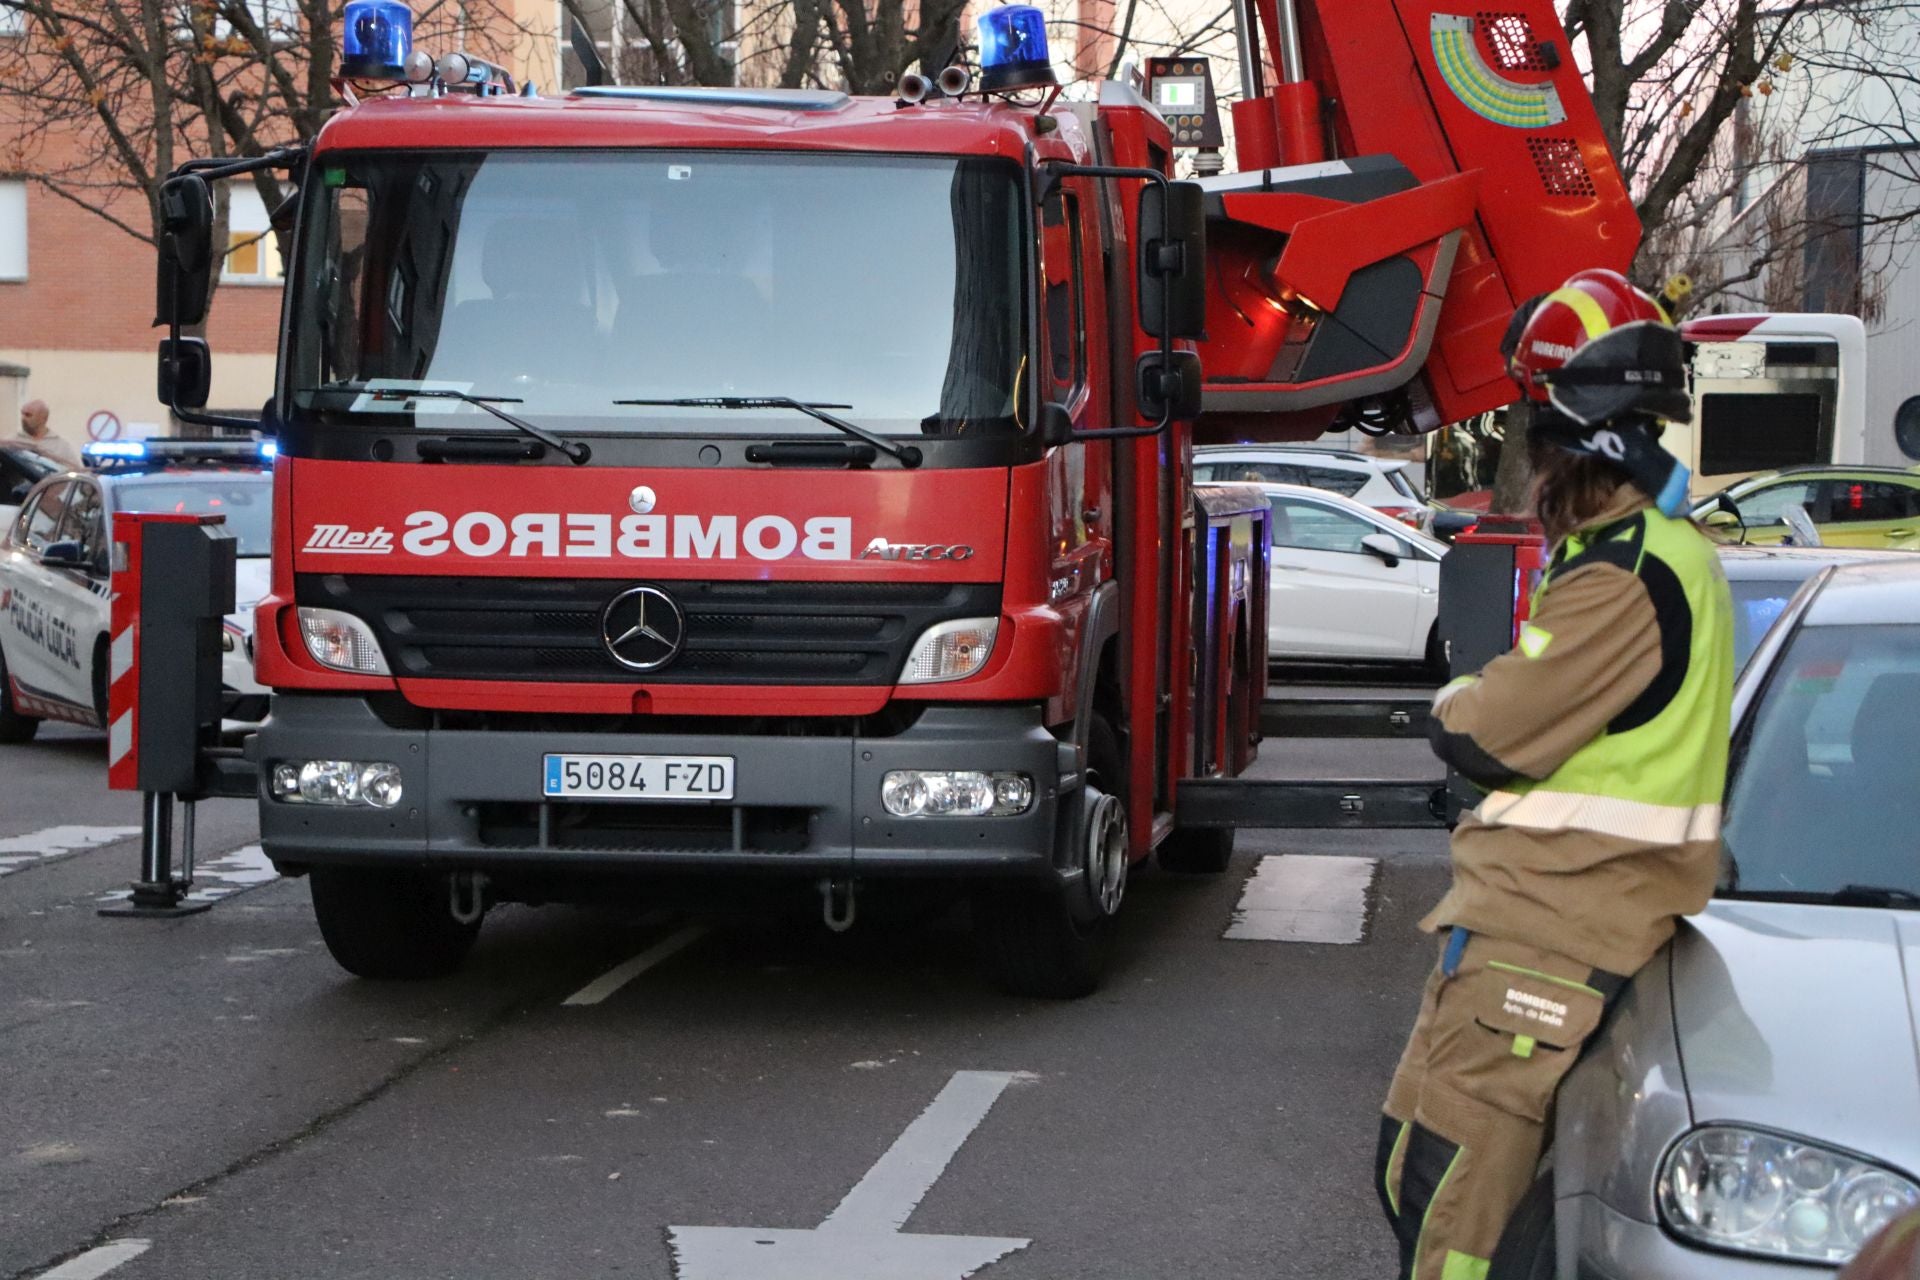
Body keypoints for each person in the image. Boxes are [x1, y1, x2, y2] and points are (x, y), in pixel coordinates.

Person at [1375, 268, 1735, 1280]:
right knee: (1417, 1167)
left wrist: (1459, 699)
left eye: (1540, 428)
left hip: (1550, 932)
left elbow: (1491, 730)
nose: (1530, 456)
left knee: (1453, 1208)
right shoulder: (1637, 553)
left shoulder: (1626, 571)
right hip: (1537, 927)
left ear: (1588, 433)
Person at [10, 400, 81, 468]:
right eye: (22, 414)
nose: (23, 418)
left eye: (28, 415)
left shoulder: (61, 446)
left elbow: (77, 472)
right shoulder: (11, 442)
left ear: (43, 418)